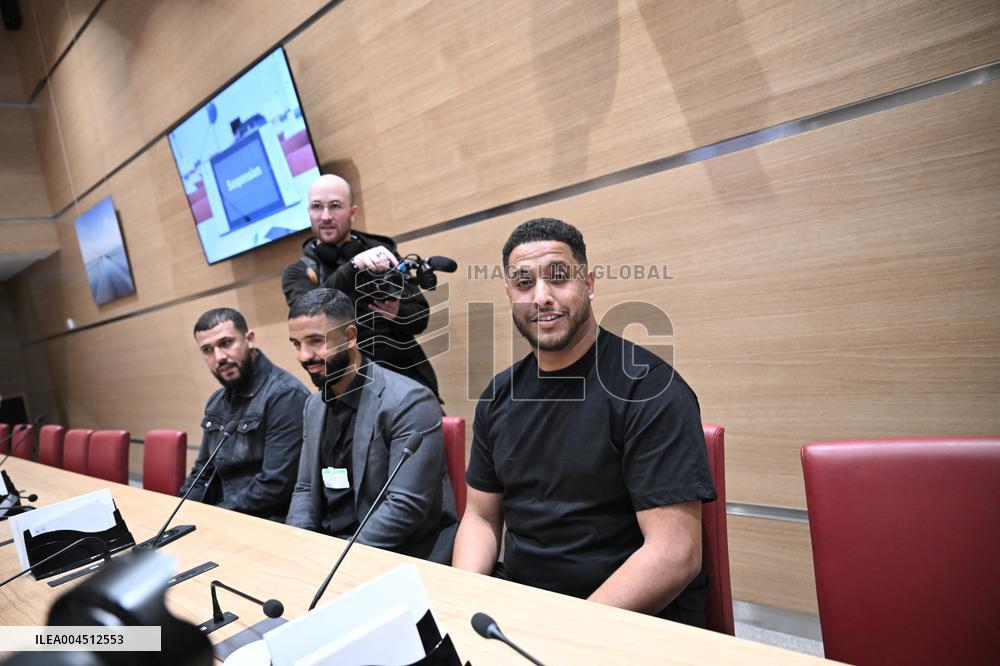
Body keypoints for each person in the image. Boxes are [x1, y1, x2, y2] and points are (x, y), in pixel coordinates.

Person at [452, 218, 717, 626]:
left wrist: (566, 631)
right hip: (523, 607)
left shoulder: (650, 388)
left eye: (559, 278)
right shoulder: (498, 396)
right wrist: (465, 599)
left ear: (589, 283)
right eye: (524, 284)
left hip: (626, 620)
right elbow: (481, 517)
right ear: (509, 295)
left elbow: (675, 554)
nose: (541, 297)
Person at [285, 288, 457, 563]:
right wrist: (301, 546)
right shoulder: (313, 406)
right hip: (330, 551)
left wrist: (338, 561)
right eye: (296, 344)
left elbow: (405, 507)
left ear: (351, 336)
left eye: (316, 341)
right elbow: (305, 489)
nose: (304, 356)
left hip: (399, 556)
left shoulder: (409, 400)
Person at [281, 174, 440, 400]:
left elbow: (420, 317)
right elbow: (311, 314)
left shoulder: (382, 254)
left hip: (408, 380)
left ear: (353, 212)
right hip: (346, 390)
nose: (325, 216)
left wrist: (397, 313)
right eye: (317, 207)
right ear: (308, 211)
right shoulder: (297, 272)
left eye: (335, 206)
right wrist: (354, 266)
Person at [180, 307, 309, 521]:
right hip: (226, 514)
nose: (219, 357)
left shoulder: (285, 395)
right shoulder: (216, 401)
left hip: (271, 520)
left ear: (249, 339)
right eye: (207, 350)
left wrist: (214, 516)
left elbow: (276, 486)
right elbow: (203, 471)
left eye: (226, 343)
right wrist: (183, 510)